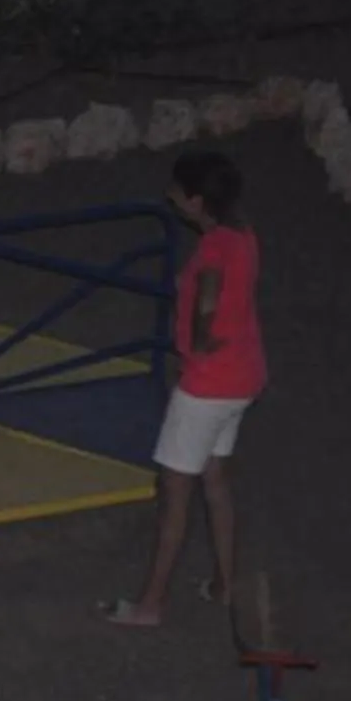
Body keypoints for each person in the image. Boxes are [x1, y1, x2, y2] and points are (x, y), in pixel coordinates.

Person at [106, 150, 264, 627]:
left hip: (208, 385)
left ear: (197, 201)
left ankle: (151, 604)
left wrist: (195, 343)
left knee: (174, 490)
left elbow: (211, 296)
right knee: (215, 480)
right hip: (244, 376)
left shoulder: (215, 249)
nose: (170, 197)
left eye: (177, 191)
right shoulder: (242, 235)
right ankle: (223, 583)